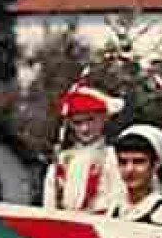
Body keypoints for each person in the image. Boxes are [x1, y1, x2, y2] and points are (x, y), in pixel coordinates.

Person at [43, 82, 127, 214]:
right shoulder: (61, 161)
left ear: (104, 118)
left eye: (90, 120)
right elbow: (49, 207)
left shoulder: (114, 158)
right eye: (77, 122)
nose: (84, 128)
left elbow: (119, 201)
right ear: (69, 124)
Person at [108, 123, 162, 226]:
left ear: (155, 164)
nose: (129, 169)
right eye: (123, 162)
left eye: (138, 162)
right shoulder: (114, 207)